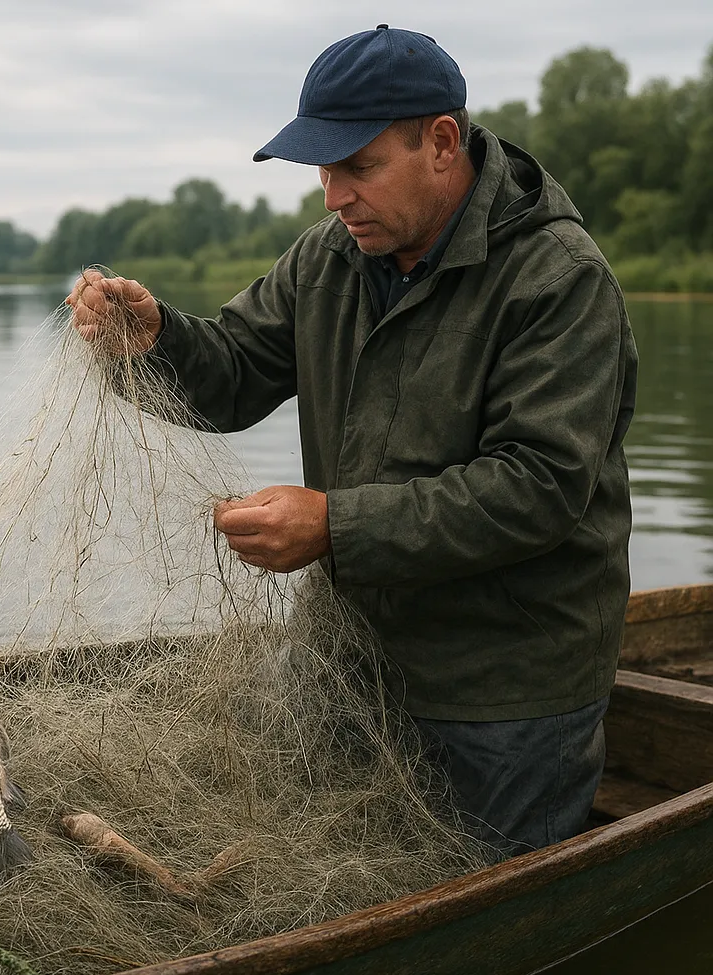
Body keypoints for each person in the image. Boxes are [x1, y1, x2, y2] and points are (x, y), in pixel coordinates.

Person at [65, 26, 638, 856]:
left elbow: (538, 488)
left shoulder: (559, 279)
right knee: (319, 880)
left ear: (442, 143)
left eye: (358, 167)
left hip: (506, 692)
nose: (334, 196)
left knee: (471, 916)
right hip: (349, 659)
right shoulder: (329, 257)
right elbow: (230, 371)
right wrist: (154, 340)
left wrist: (333, 525)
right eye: (323, 171)